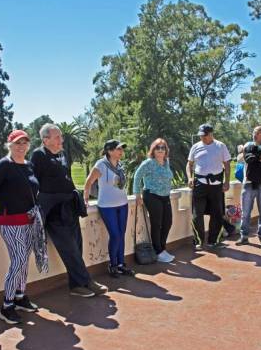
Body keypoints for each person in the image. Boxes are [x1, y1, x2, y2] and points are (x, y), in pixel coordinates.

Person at [30, 124, 107, 297]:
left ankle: (76, 286)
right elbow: (32, 183)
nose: (61, 140)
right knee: (69, 248)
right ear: (45, 140)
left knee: (77, 246)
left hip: (69, 208)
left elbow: (67, 178)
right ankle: (86, 281)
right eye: (57, 137)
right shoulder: (39, 155)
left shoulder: (62, 155)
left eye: (61, 137)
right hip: (53, 211)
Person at [0, 130, 42, 325]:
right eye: (17, 143)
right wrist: (9, 198)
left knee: (25, 260)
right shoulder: (4, 165)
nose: (21, 146)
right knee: (18, 261)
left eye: (24, 143)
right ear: (9, 145)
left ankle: (20, 296)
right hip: (10, 221)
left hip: (29, 220)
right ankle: (6, 306)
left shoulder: (29, 165)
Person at [84, 140, 135, 278]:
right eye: (118, 149)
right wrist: (85, 199)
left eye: (121, 149)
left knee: (121, 234)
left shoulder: (120, 165)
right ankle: (112, 265)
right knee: (115, 235)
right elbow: (89, 182)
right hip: (107, 206)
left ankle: (121, 264)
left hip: (123, 203)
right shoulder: (101, 165)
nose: (121, 152)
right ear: (109, 151)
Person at [186, 123, 231, 249]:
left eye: (205, 135)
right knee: (197, 214)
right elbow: (189, 164)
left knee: (217, 214)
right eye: (201, 136)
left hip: (216, 186)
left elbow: (227, 165)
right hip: (199, 185)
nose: (202, 138)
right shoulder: (196, 147)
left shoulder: (220, 146)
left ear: (211, 134)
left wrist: (227, 181)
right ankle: (199, 240)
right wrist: (190, 177)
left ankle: (213, 241)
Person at [133, 138, 174, 263]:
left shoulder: (166, 162)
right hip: (152, 195)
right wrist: (137, 194)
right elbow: (137, 176)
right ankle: (158, 251)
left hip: (165, 196)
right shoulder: (148, 163)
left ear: (166, 150)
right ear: (153, 150)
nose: (160, 150)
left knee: (168, 222)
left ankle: (162, 248)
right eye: (158, 148)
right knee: (157, 223)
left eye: (163, 148)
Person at [236, 126, 261, 247]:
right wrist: (245, 152)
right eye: (255, 132)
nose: (255, 134)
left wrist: (246, 150)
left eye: (258, 133)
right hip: (248, 182)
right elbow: (240, 159)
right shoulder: (248, 144)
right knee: (245, 212)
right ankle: (244, 236)